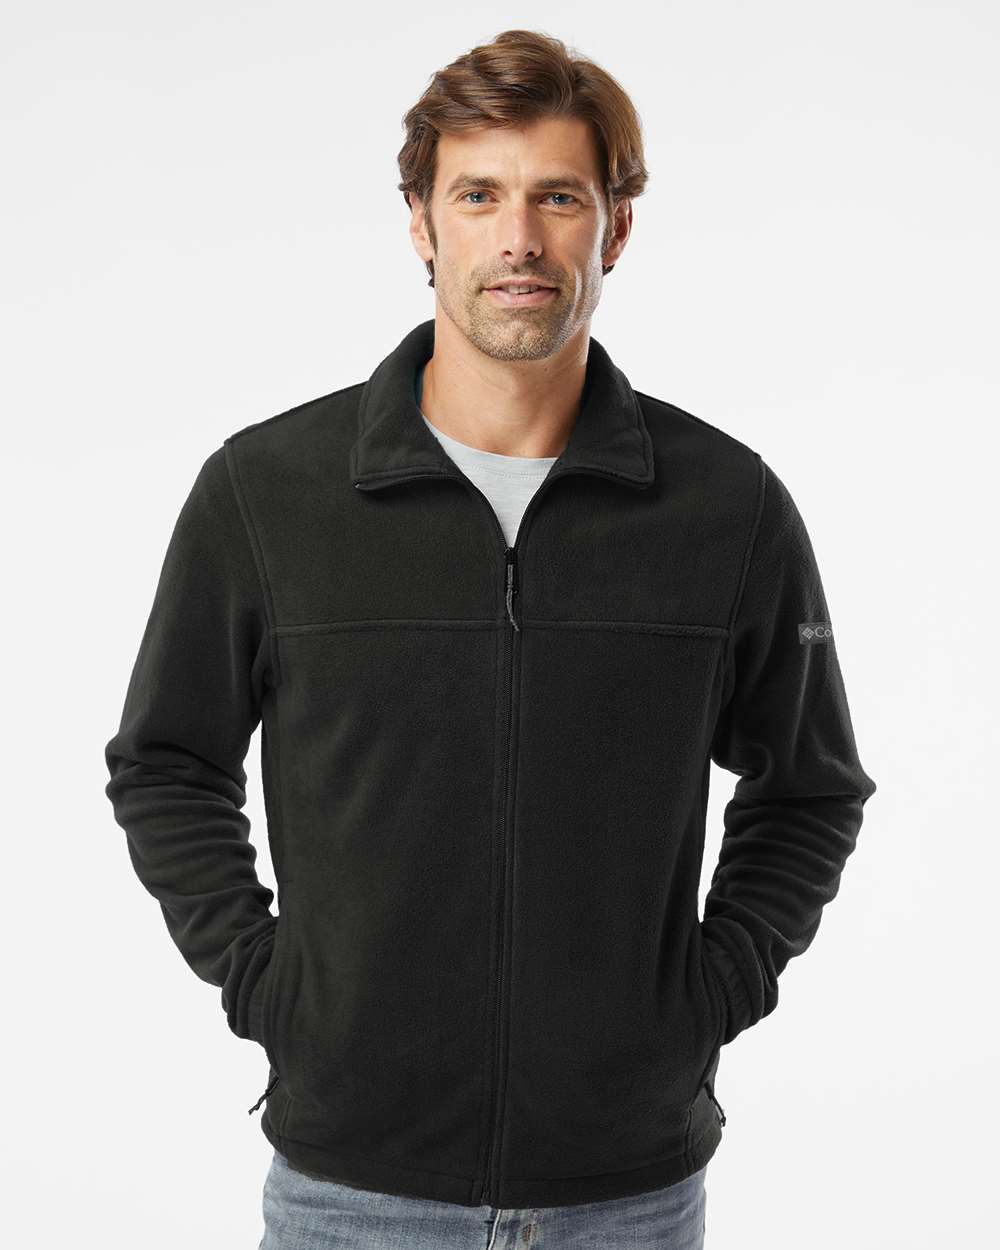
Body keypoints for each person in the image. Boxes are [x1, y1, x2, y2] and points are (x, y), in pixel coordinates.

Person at [103, 27, 876, 1250]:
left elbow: (811, 787)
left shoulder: (727, 508)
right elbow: (165, 761)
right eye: (478, 195)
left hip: (626, 1193)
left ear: (614, 228)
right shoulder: (268, 493)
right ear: (420, 223)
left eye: (557, 197)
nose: (519, 238)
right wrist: (270, 983)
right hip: (352, 1191)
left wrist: (709, 993)